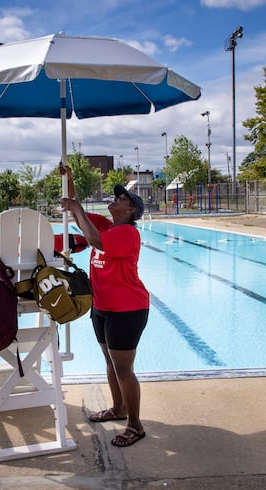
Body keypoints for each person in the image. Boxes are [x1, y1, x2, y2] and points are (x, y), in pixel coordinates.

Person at [59, 165, 149, 447]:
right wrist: (70, 181)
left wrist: (77, 208)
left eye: (123, 199)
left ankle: (135, 425)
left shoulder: (128, 234)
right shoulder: (110, 228)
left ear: (131, 210)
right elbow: (77, 212)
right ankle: (119, 408)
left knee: (124, 368)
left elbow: (94, 240)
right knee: (110, 362)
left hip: (127, 310)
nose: (117, 199)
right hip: (103, 308)